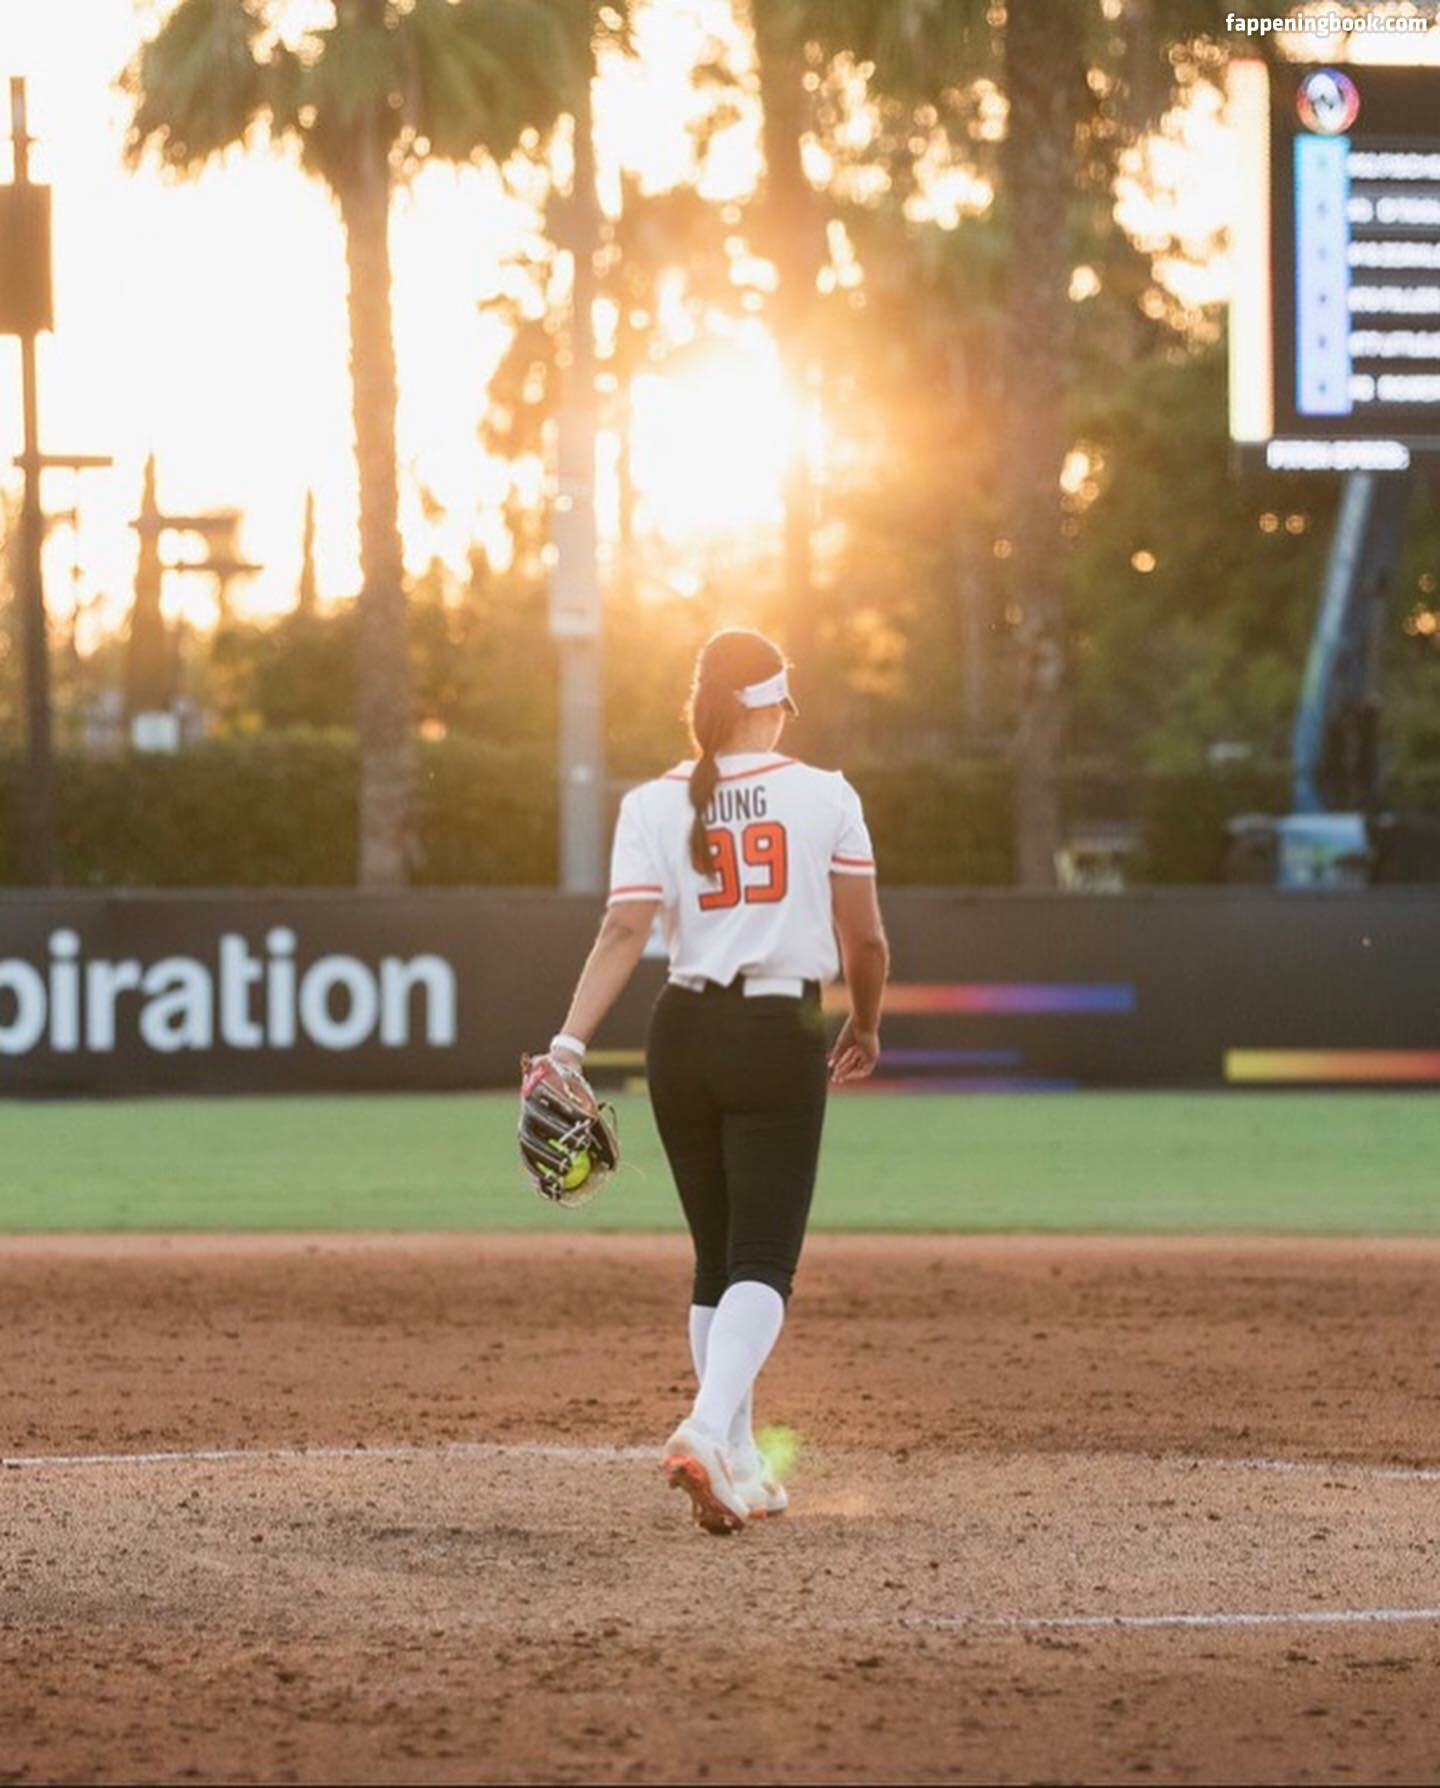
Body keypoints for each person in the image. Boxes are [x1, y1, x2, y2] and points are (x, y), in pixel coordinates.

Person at [542, 628, 889, 1534]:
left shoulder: (651, 802)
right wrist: (865, 1022)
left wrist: (568, 1047)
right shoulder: (824, 792)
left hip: (681, 1032)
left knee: (717, 1257)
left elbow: (623, 933)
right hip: (775, 1031)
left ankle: (738, 1458)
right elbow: (865, 938)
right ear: (769, 704)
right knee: (764, 1263)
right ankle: (703, 1428)